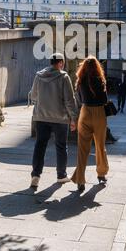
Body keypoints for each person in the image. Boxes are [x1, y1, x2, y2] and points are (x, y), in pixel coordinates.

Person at [30, 53, 78, 188]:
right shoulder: (64, 77)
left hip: (41, 117)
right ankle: (61, 175)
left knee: (40, 145)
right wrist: (73, 118)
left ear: (51, 62)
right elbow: (69, 100)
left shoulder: (39, 76)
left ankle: (35, 175)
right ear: (61, 63)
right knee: (61, 146)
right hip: (60, 118)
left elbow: (33, 95)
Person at [71, 56, 109, 192]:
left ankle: (80, 180)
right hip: (99, 113)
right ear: (97, 67)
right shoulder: (100, 80)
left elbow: (80, 99)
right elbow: (105, 100)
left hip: (85, 112)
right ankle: (101, 174)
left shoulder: (80, 81)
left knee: (82, 149)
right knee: (100, 145)